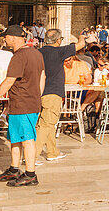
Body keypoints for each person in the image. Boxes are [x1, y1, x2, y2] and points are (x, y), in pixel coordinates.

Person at [0, 26, 44, 187]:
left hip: (23, 103)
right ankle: (14, 169)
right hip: (27, 102)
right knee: (15, 138)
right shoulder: (36, 53)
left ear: (13, 38)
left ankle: (30, 174)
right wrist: (38, 96)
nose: (4, 40)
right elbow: (43, 76)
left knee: (27, 139)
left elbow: (8, 81)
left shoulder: (19, 56)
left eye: (6, 37)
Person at [36, 28, 85, 163]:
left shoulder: (38, 52)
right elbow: (81, 45)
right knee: (46, 125)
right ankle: (32, 156)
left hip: (39, 92)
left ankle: (52, 152)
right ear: (58, 40)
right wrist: (82, 36)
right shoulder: (59, 51)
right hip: (53, 92)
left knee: (47, 123)